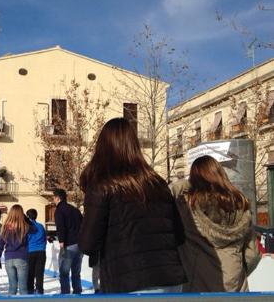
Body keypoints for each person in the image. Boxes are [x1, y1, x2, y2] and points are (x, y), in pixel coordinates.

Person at [78, 117, 187, 293]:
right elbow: (179, 235)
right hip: (171, 280)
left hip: (129, 283)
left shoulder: (103, 184)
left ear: (102, 146)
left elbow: (87, 244)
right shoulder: (158, 183)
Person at [170, 155, 261, 292]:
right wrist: (237, 271)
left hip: (198, 287)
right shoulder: (240, 206)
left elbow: (165, 196)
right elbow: (252, 254)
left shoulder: (187, 207)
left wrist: (184, 183)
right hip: (235, 287)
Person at [0, 204, 36, 296]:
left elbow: (0, 244)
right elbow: (35, 230)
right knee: (23, 288)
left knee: (12, 287)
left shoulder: (5, 227)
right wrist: (28, 220)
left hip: (9, 258)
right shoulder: (24, 226)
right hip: (21, 258)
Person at [53, 188, 83, 294]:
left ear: (58, 198)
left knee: (64, 272)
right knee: (76, 272)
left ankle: (65, 295)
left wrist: (61, 242)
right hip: (79, 245)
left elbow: (60, 227)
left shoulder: (59, 211)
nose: (53, 200)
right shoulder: (75, 210)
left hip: (68, 245)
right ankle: (77, 293)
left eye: (54, 198)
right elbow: (83, 224)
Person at [26, 208, 47, 295]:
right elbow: (45, 239)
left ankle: (30, 290)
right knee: (39, 273)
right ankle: (39, 290)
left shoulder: (27, 227)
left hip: (31, 251)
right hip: (41, 252)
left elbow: (25, 240)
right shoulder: (41, 226)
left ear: (28, 216)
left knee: (30, 272)